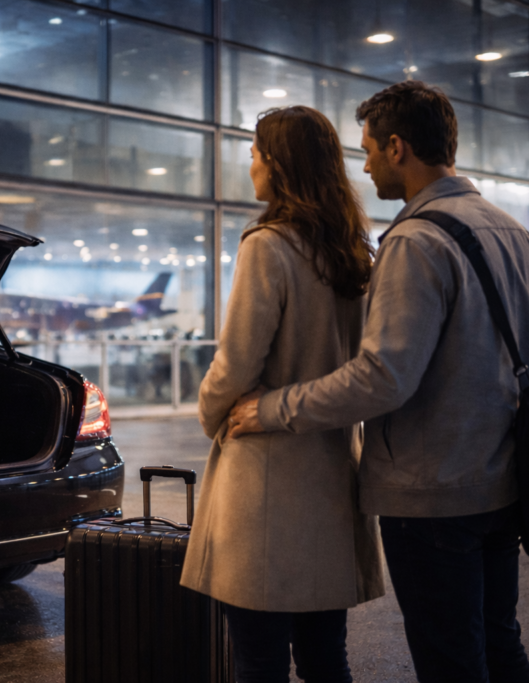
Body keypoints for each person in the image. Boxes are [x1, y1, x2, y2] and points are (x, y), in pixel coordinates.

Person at [228, 82, 529, 683]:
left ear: (398, 148)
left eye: (370, 149)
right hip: (506, 479)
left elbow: (383, 377)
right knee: (501, 643)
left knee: (451, 656)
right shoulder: (515, 235)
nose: (366, 164)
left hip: (433, 490)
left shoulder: (415, 239)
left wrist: (273, 408)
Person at [180, 106, 386, 683]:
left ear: (277, 163)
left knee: (259, 661)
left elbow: (237, 360)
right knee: (326, 658)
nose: (250, 166)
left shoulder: (268, 245)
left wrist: (211, 413)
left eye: (253, 154)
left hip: (264, 481)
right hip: (330, 474)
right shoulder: (353, 252)